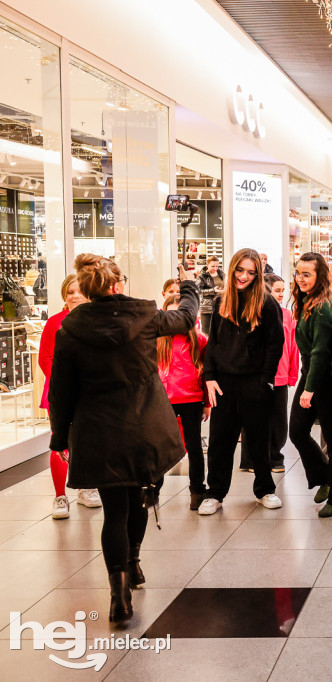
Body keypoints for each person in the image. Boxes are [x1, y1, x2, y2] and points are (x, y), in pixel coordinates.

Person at [48, 255, 198, 622]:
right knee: (140, 499)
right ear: (116, 286)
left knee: (114, 510)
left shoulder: (70, 328)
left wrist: (59, 436)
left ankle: (118, 594)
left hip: (99, 431)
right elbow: (187, 317)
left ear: (85, 289)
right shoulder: (145, 316)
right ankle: (133, 563)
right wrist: (190, 283)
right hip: (145, 426)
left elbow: (61, 390)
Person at [200, 248, 285, 515]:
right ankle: (215, 492)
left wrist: (266, 380)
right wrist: (210, 377)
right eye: (240, 270)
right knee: (220, 440)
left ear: (258, 274)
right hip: (224, 380)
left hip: (254, 381)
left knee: (259, 440)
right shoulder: (221, 301)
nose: (244, 276)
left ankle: (265, 490)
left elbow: (275, 344)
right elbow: (212, 342)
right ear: (233, 268)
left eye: (250, 272)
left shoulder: (267, 304)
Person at [288, 252, 332, 518]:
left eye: (307, 274)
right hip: (312, 375)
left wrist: (308, 389)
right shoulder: (307, 302)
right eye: (298, 273)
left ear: (320, 276)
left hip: (326, 380)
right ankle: (327, 477)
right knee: (298, 431)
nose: (301, 279)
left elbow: (320, 353)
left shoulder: (324, 308)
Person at [39, 274, 99, 519]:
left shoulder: (98, 321)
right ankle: (59, 497)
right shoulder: (55, 322)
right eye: (70, 292)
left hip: (92, 394)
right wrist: (65, 385)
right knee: (60, 442)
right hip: (61, 394)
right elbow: (45, 358)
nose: (74, 296)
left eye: (79, 291)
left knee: (88, 442)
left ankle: (86, 488)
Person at [240, 274, 298, 474]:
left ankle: (275, 455)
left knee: (279, 418)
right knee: (253, 417)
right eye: (277, 290)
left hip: (280, 375)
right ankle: (251, 459)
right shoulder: (252, 313)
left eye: (283, 290)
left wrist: (292, 373)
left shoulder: (287, 315)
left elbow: (292, 347)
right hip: (256, 375)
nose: (281, 294)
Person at [157, 294, 210, 510]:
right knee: (159, 447)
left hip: (191, 399)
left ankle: (197, 490)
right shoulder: (157, 340)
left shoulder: (199, 340)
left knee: (194, 446)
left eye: (180, 314)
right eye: (171, 314)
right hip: (163, 402)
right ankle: (152, 489)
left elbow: (207, 373)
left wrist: (207, 402)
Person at [197, 256, 225, 334]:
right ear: (207, 264)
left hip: (220, 306)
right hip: (207, 308)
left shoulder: (221, 274)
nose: (215, 268)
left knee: (219, 331)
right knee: (206, 332)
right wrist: (213, 290)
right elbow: (197, 290)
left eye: (217, 266)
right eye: (213, 266)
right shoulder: (202, 276)